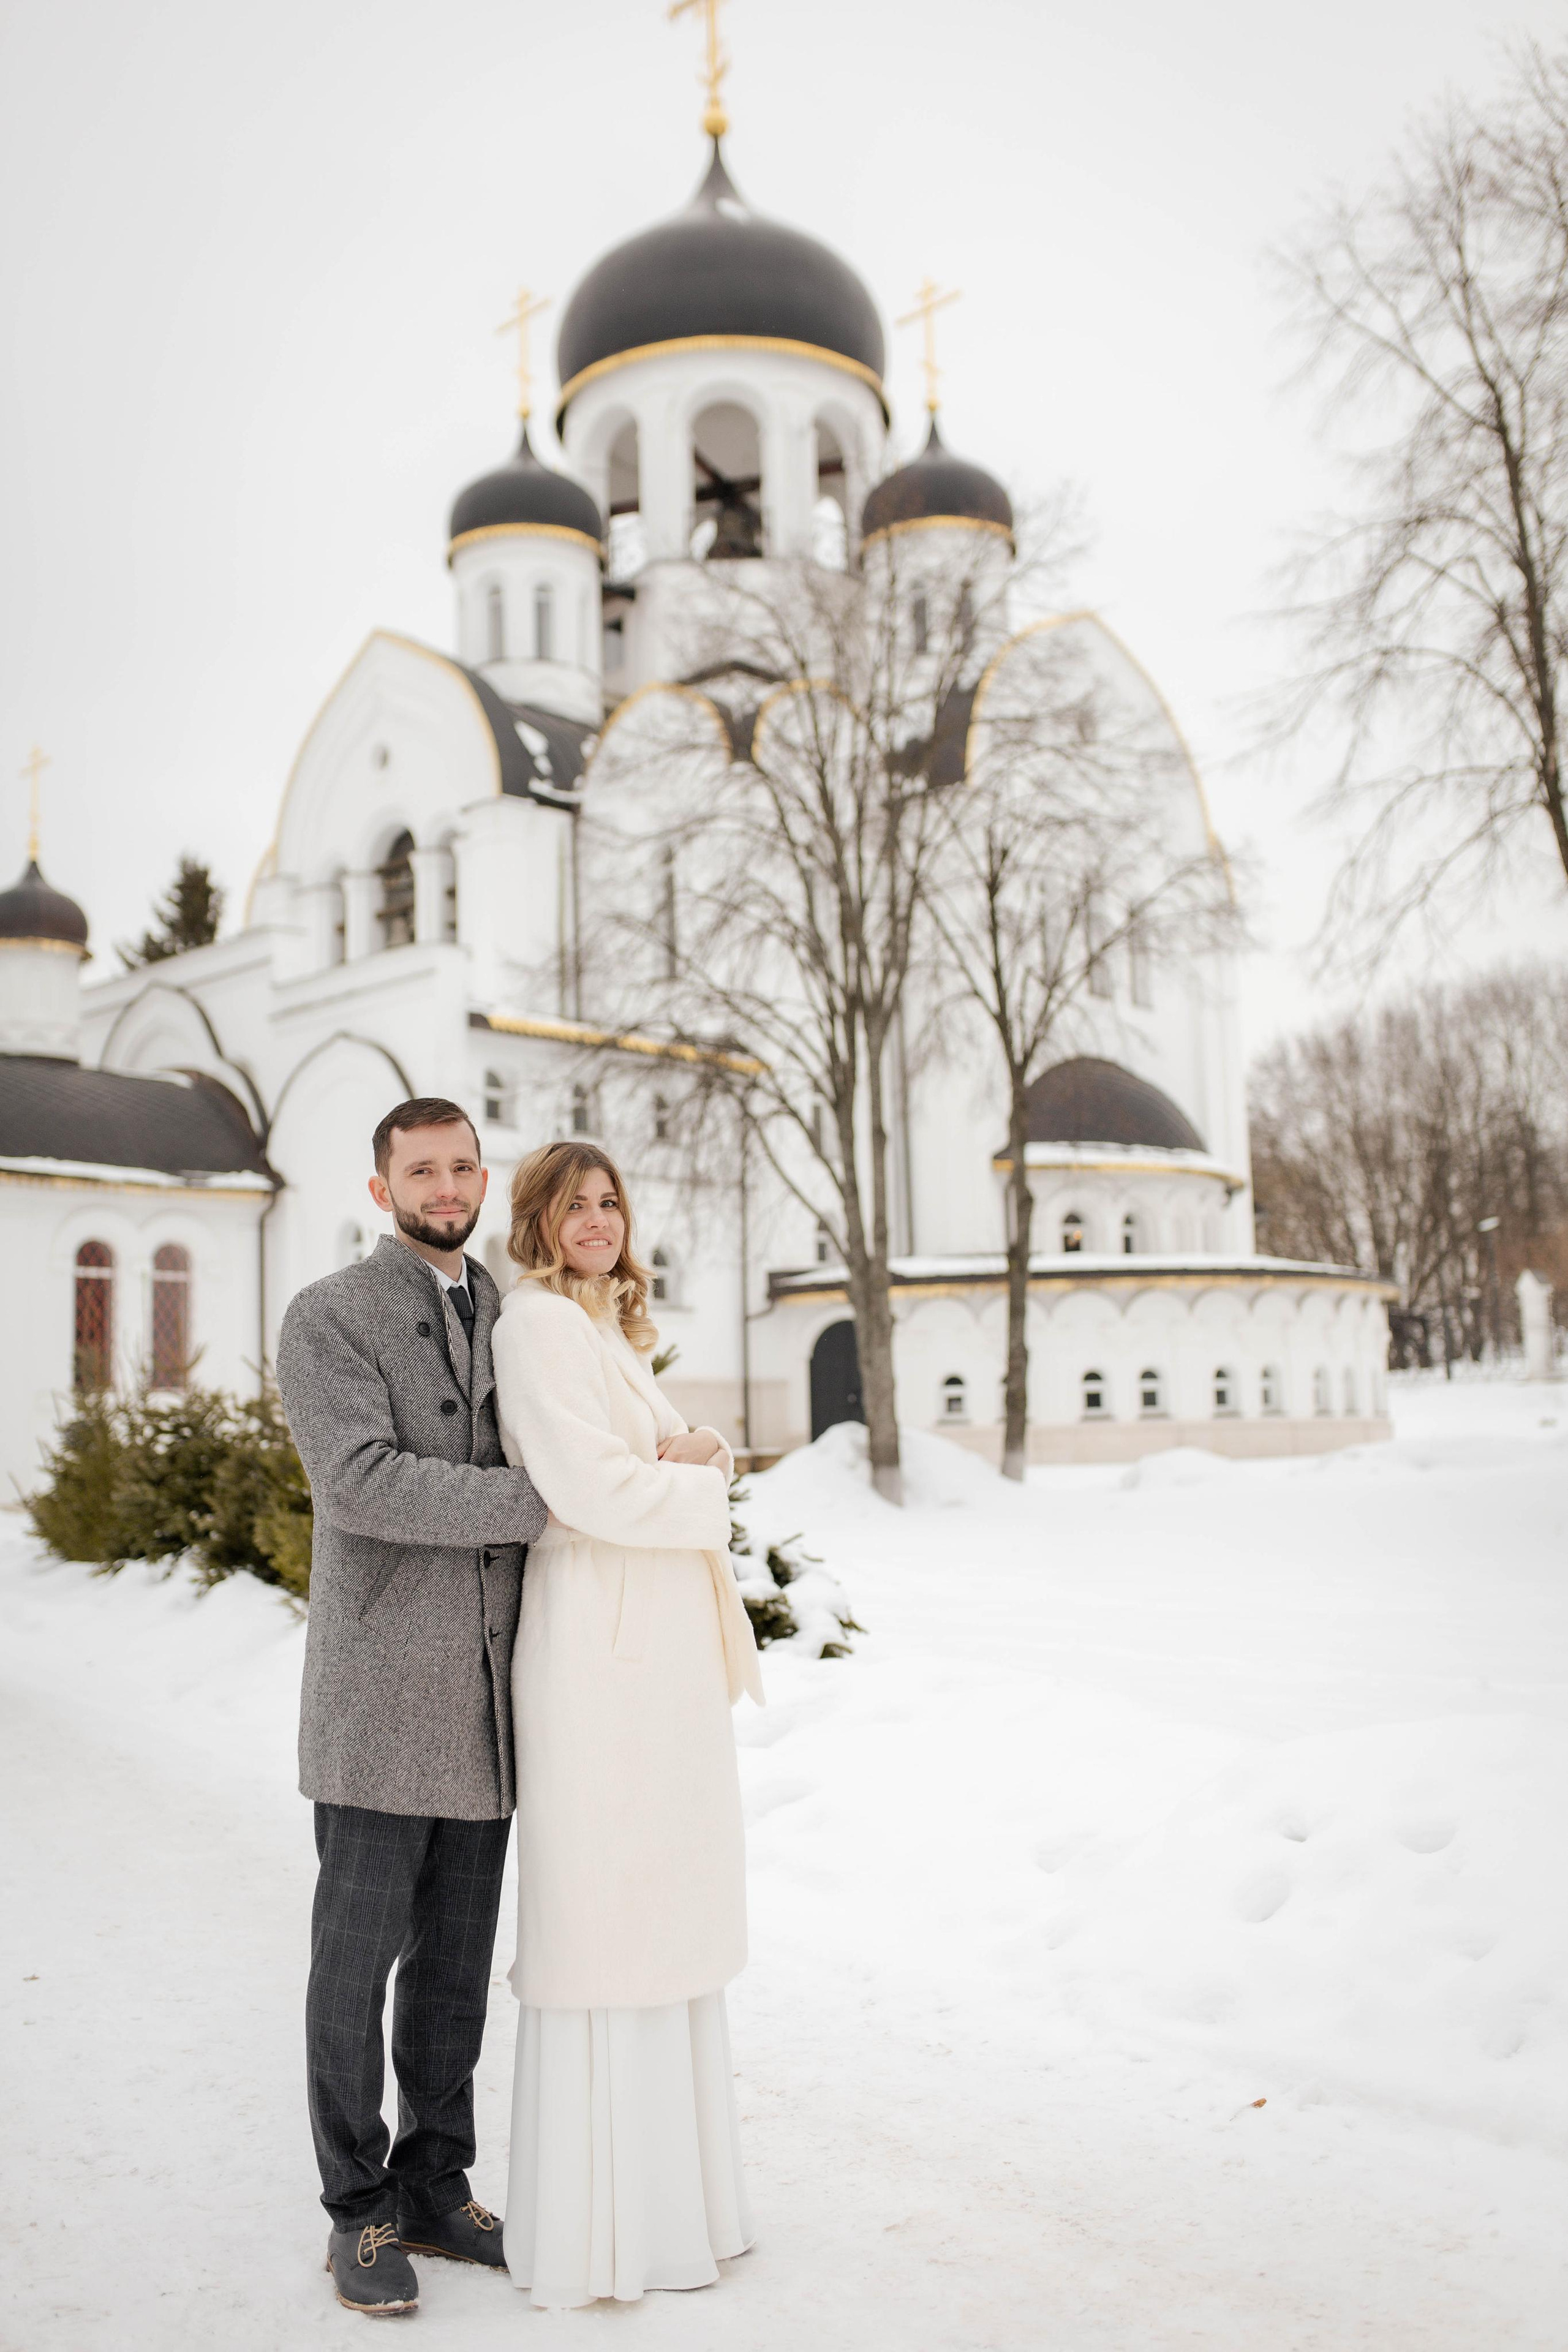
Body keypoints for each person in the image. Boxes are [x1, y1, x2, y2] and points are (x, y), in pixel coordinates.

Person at [275, 1096, 548, 2319]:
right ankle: (359, 2210)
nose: (447, 1185)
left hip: (489, 1708)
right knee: (355, 1968)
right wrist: (541, 1502)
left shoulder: (515, 1313)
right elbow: (363, 1482)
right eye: (420, 1169)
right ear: (382, 1189)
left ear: (483, 1177)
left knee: (452, 1973)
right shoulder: (330, 1316)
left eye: (462, 1165)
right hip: (383, 1700)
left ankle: (437, 2183)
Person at [489, 1138, 764, 2310]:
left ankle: (674, 2209)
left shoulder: (601, 1327)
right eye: (574, 1204)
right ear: (538, 1219)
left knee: (664, 1907)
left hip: (650, 1657)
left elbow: (692, 1449)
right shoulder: (539, 1328)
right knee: (610, 1916)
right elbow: (594, 1488)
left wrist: (692, 1457)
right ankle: (607, 2230)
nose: (597, 1220)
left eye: (610, 1202)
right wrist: (696, 1477)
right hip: (601, 1656)